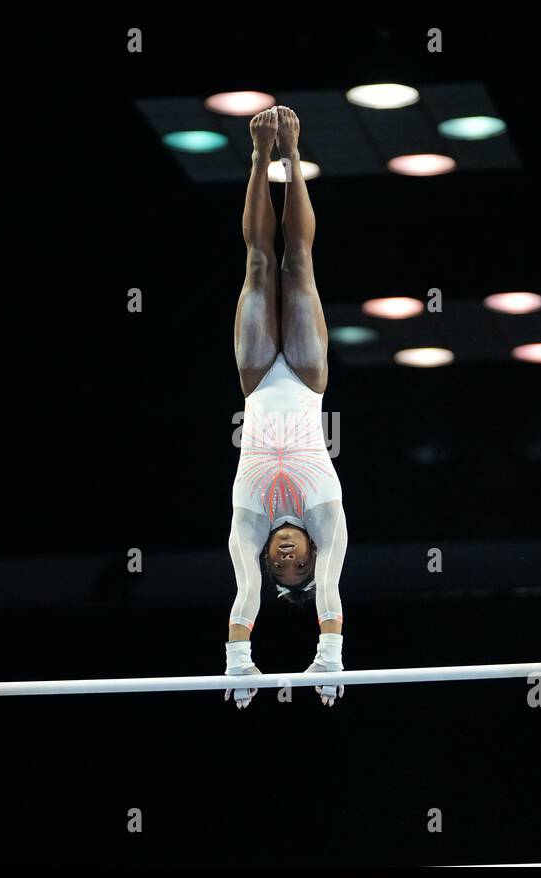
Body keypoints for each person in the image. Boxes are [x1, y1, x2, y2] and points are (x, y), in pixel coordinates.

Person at [224, 106, 348, 710]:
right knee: (297, 262)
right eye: (302, 567)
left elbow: (246, 592)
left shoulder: (248, 527)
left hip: (255, 383)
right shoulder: (326, 519)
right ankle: (293, 152)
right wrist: (329, 654)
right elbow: (331, 588)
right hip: (304, 379)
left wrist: (238, 660)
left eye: (284, 569)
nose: (292, 561)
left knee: (256, 261)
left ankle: (257, 155)